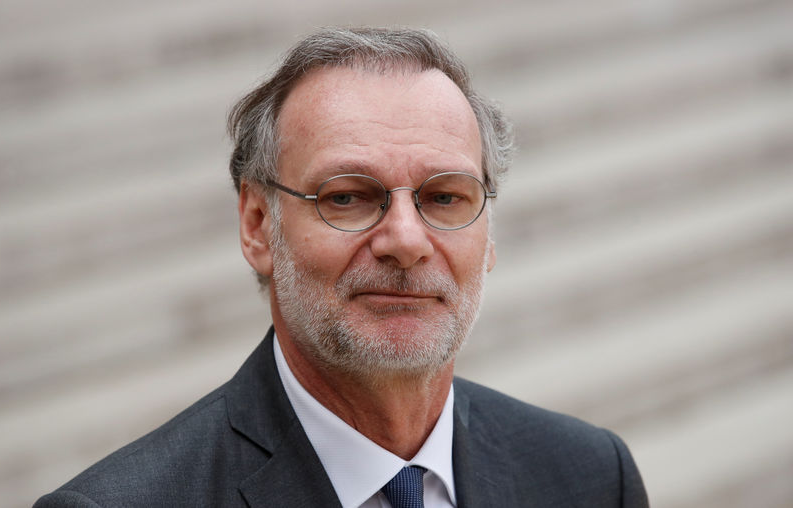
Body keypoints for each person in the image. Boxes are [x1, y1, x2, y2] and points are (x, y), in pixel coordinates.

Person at [35, 27, 649, 507]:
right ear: (257, 227)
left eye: (444, 198)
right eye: (347, 197)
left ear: (488, 234)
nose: (406, 240)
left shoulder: (591, 476)